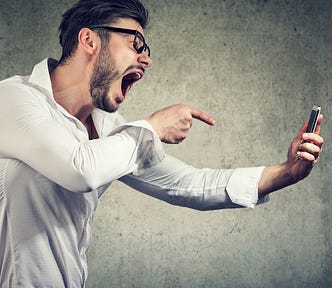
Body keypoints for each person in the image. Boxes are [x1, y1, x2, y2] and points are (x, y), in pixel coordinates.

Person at [0, 0, 324, 286]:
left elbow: (186, 184)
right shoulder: (13, 98)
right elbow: (79, 169)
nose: (146, 60)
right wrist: (153, 126)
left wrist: (288, 172)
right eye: (136, 43)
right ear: (88, 40)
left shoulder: (111, 130)